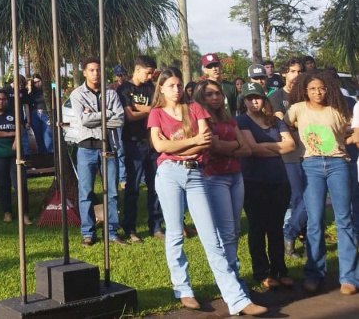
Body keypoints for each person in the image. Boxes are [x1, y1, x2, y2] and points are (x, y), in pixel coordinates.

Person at [148, 67, 265, 315]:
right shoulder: (156, 113)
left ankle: (237, 299)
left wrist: (177, 147)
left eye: (179, 85)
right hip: (168, 173)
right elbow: (159, 145)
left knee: (211, 238)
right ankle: (183, 289)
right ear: (161, 88)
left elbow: (207, 140)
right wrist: (192, 142)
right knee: (175, 234)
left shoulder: (194, 108)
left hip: (196, 173)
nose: (176, 90)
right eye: (171, 86)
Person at [285, 70, 359, 294]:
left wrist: (342, 141)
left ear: (328, 90)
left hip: (338, 164)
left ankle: (349, 277)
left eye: (321, 88)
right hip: (311, 166)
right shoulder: (297, 109)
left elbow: (351, 132)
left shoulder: (338, 109)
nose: (317, 92)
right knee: (315, 221)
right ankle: (314, 273)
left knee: (344, 220)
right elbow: (284, 128)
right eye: (312, 89)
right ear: (305, 91)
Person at [193, 80, 251, 288]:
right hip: (214, 177)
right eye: (209, 94)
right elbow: (214, 147)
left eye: (217, 93)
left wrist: (229, 146)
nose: (215, 97)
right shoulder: (202, 121)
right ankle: (231, 279)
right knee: (225, 231)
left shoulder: (228, 118)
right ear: (201, 97)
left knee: (235, 229)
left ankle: (232, 272)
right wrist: (235, 145)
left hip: (235, 175)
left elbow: (247, 149)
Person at [237, 82, 295, 289]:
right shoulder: (241, 120)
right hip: (254, 181)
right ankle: (261, 272)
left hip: (279, 180)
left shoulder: (275, 120)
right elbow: (253, 149)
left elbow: (291, 145)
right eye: (250, 98)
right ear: (244, 101)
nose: (254, 101)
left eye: (258, 97)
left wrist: (266, 147)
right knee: (257, 227)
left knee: (276, 227)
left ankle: (280, 270)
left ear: (264, 99)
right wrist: (277, 147)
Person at [70, 57, 126, 246]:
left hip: (108, 148)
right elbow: (83, 120)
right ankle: (88, 232)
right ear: (85, 72)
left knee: (111, 192)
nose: (96, 73)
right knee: (86, 192)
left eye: (99, 70)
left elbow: (119, 119)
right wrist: (107, 113)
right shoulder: (77, 94)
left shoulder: (111, 94)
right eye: (92, 70)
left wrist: (93, 115)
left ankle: (112, 231)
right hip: (86, 148)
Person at [117, 55, 163, 243]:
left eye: (152, 73)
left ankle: (156, 226)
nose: (150, 76)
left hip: (153, 142)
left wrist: (140, 107)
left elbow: (160, 108)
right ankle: (130, 228)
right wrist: (150, 109)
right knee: (133, 188)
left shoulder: (151, 87)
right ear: (137, 69)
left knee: (156, 187)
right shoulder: (124, 89)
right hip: (133, 143)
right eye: (148, 72)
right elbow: (129, 116)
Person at [267, 57, 307, 257]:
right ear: (284, 74)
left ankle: (295, 233)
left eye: (299, 71)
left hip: (311, 150)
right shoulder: (277, 96)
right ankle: (296, 235)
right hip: (290, 153)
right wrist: (302, 123)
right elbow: (281, 122)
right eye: (292, 71)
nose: (296, 75)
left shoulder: (307, 93)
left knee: (311, 195)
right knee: (298, 196)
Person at [0, 89, 32, 224]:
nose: (1, 101)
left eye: (3, 99)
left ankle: (24, 213)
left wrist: (16, 139)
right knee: (3, 184)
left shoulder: (13, 112)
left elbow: (19, 128)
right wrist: (9, 134)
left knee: (20, 183)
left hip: (15, 154)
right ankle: (7, 211)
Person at [27, 74, 53, 155]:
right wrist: (30, 88)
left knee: (48, 138)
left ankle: (50, 156)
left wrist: (52, 116)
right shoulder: (32, 92)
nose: (37, 84)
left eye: (38, 81)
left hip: (45, 114)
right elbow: (28, 103)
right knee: (38, 138)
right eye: (34, 83)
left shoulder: (47, 90)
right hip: (35, 115)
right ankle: (42, 157)